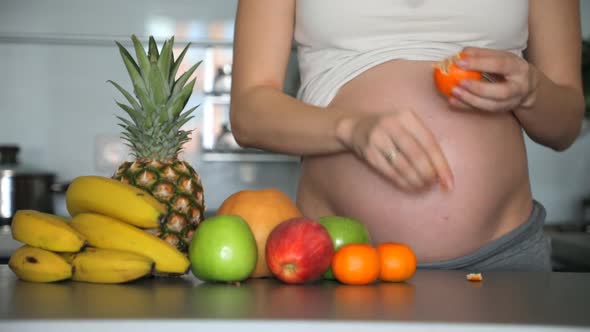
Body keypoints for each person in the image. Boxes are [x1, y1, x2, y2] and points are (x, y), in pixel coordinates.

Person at [229, 0, 584, 271]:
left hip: (502, 260)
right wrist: (349, 128)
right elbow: (248, 113)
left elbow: (565, 125)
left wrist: (532, 91)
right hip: (334, 257)